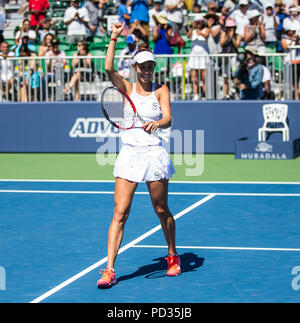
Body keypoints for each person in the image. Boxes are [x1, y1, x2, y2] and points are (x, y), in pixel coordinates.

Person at [97, 21, 180, 289]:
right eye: (142, 66)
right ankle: (109, 269)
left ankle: (172, 255)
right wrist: (113, 37)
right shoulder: (126, 89)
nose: (146, 70)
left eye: (150, 66)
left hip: (153, 154)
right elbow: (108, 67)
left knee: (161, 209)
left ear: (154, 67)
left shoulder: (161, 89)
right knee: (120, 212)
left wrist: (158, 123)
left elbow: (168, 117)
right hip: (130, 155)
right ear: (135, 68)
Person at [187, 14, 210, 100]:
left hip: (204, 56)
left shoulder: (206, 29)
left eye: (200, 22)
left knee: (204, 76)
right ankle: (195, 94)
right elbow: (188, 36)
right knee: (194, 77)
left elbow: (206, 35)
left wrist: (199, 31)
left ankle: (204, 94)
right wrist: (193, 28)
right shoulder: (192, 31)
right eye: (197, 22)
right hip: (194, 56)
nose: (198, 23)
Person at [220, 18, 242, 99]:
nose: (229, 29)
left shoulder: (238, 36)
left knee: (235, 74)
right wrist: (227, 36)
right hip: (225, 57)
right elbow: (221, 43)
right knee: (225, 75)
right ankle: (225, 94)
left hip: (234, 56)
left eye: (231, 27)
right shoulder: (223, 34)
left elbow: (237, 45)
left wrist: (232, 37)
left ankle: (235, 91)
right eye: (228, 27)